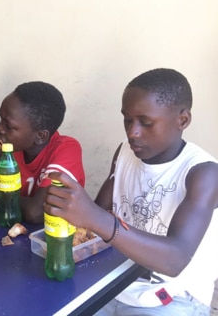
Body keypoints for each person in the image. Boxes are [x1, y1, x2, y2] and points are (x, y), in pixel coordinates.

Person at [44, 68, 218, 315]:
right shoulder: (125, 152)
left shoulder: (203, 173)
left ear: (183, 120)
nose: (132, 132)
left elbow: (175, 259)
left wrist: (94, 217)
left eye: (146, 123)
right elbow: (98, 215)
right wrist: (73, 210)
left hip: (173, 295)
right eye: (127, 119)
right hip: (116, 281)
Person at [0, 81, 85, 224]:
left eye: (8, 126)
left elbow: (35, 212)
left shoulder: (67, 149)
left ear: (40, 136)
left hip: (54, 240)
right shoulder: (13, 150)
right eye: (1, 119)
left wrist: (4, 198)